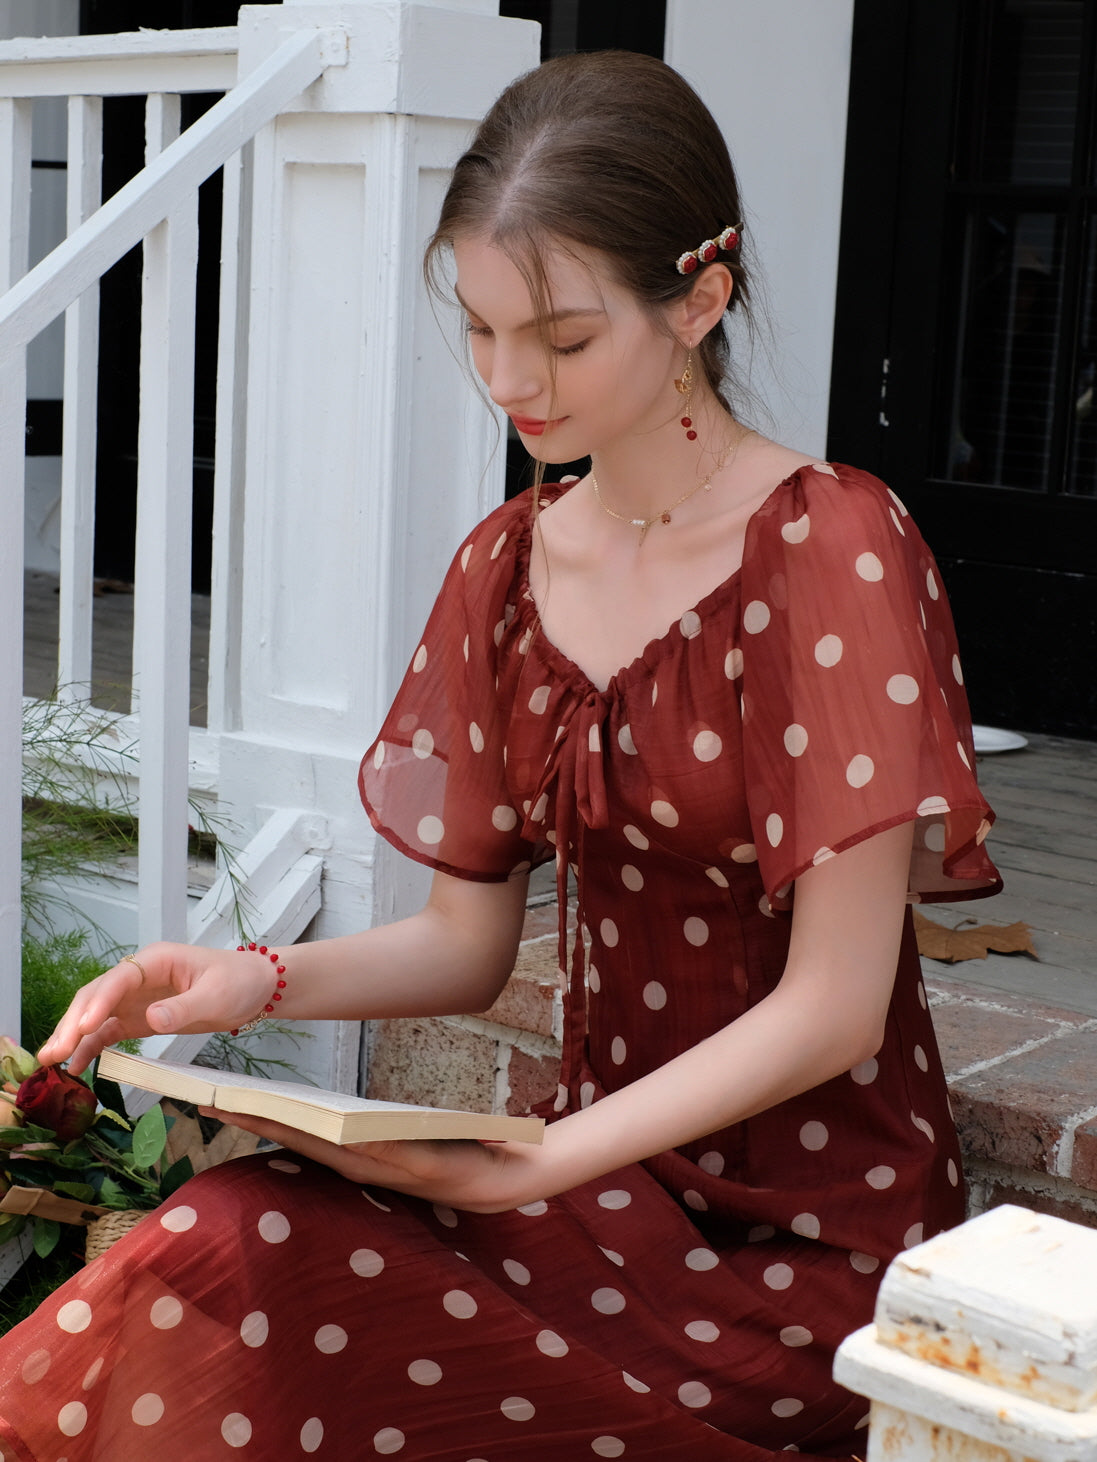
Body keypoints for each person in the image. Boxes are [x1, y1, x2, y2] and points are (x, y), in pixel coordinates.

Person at [0, 50, 1001, 1462]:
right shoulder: (509, 563)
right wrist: (250, 976)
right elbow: (466, 944)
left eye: (562, 337)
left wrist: (531, 1159)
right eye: (476, 329)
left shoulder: (831, 547)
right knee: (224, 1238)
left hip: (813, 1251)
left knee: (263, 1291)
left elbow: (834, 1007)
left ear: (698, 301)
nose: (508, 380)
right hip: (591, 1190)